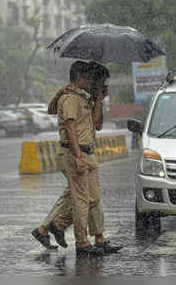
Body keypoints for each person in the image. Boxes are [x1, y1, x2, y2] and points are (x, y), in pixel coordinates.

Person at [31, 61, 121, 256]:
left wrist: (98, 99)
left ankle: (93, 237)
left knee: (93, 199)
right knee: (81, 201)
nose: (91, 82)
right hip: (75, 153)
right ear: (80, 78)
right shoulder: (70, 98)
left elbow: (97, 125)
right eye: (89, 78)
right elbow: (69, 127)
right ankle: (81, 242)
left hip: (88, 153)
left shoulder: (84, 99)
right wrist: (78, 156)